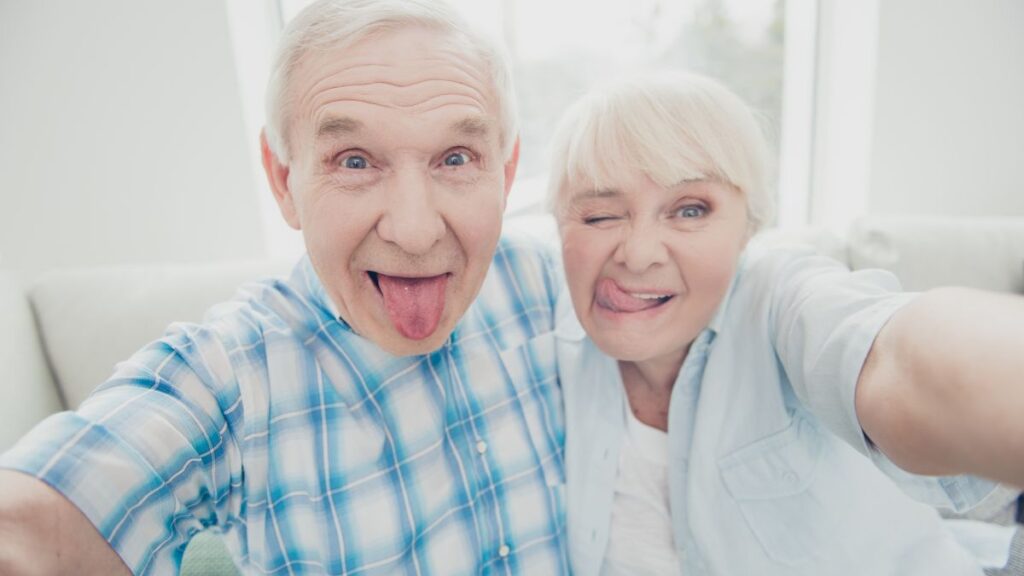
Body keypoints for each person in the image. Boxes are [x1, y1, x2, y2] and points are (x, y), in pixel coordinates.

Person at [0, 1, 568, 574]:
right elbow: (26, 528)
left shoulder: (547, 283)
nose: (416, 232)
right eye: (353, 161)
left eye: (455, 157)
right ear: (284, 180)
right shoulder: (230, 376)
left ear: (505, 170)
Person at [547, 73, 1024, 575]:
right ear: (558, 225)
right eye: (600, 216)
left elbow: (896, 358)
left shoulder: (782, 297)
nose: (639, 255)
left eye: (690, 210)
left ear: (748, 229)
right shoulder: (545, 342)